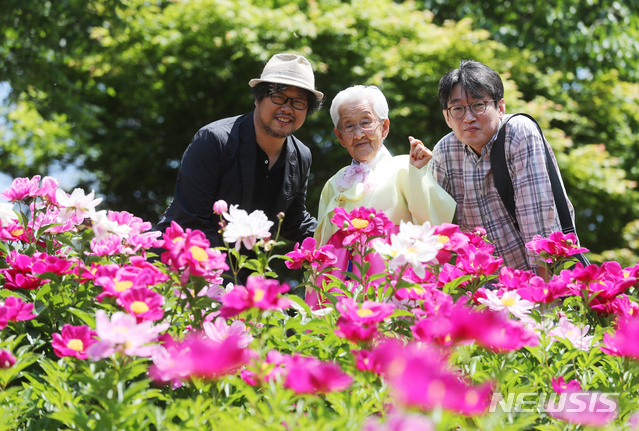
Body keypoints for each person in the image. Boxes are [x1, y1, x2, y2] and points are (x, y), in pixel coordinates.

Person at [156, 53, 323, 249]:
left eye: (299, 102)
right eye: (278, 97)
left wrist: (343, 239)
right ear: (257, 98)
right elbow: (190, 221)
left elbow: (294, 221)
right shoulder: (213, 140)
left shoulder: (302, 156)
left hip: (244, 271)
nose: (287, 108)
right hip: (183, 263)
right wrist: (223, 276)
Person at [430, 60, 578, 274]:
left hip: (543, 280)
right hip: (485, 289)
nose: (468, 117)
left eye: (478, 105)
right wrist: (416, 173)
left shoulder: (519, 134)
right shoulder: (445, 151)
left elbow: (538, 225)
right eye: (458, 109)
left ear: (500, 107)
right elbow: (432, 222)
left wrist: (543, 298)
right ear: (447, 117)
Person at [315, 84, 456, 246]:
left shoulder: (406, 167)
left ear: (384, 128)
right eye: (349, 126)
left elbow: (432, 226)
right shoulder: (334, 183)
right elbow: (324, 245)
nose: (358, 134)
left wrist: (419, 174)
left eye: (366, 122)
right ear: (340, 137)